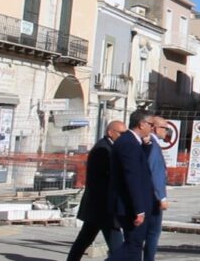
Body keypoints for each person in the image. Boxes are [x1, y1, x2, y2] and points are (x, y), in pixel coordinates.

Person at [66, 120, 127, 261]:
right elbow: (103, 179)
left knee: (85, 238)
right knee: (118, 247)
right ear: (110, 132)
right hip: (103, 206)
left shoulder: (110, 147)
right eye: (121, 133)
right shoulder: (103, 149)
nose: (124, 137)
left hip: (98, 208)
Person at [108, 109, 156, 261]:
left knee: (134, 248)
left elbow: (139, 165)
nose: (152, 128)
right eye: (151, 124)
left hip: (133, 204)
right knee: (132, 246)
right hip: (130, 206)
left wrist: (146, 146)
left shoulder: (133, 142)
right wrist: (139, 209)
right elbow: (132, 177)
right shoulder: (128, 142)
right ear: (142, 124)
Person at [142, 116, 170, 261]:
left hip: (146, 195)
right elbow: (155, 172)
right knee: (153, 233)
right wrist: (162, 197)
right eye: (165, 128)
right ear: (155, 128)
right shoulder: (152, 144)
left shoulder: (149, 143)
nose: (167, 131)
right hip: (152, 197)